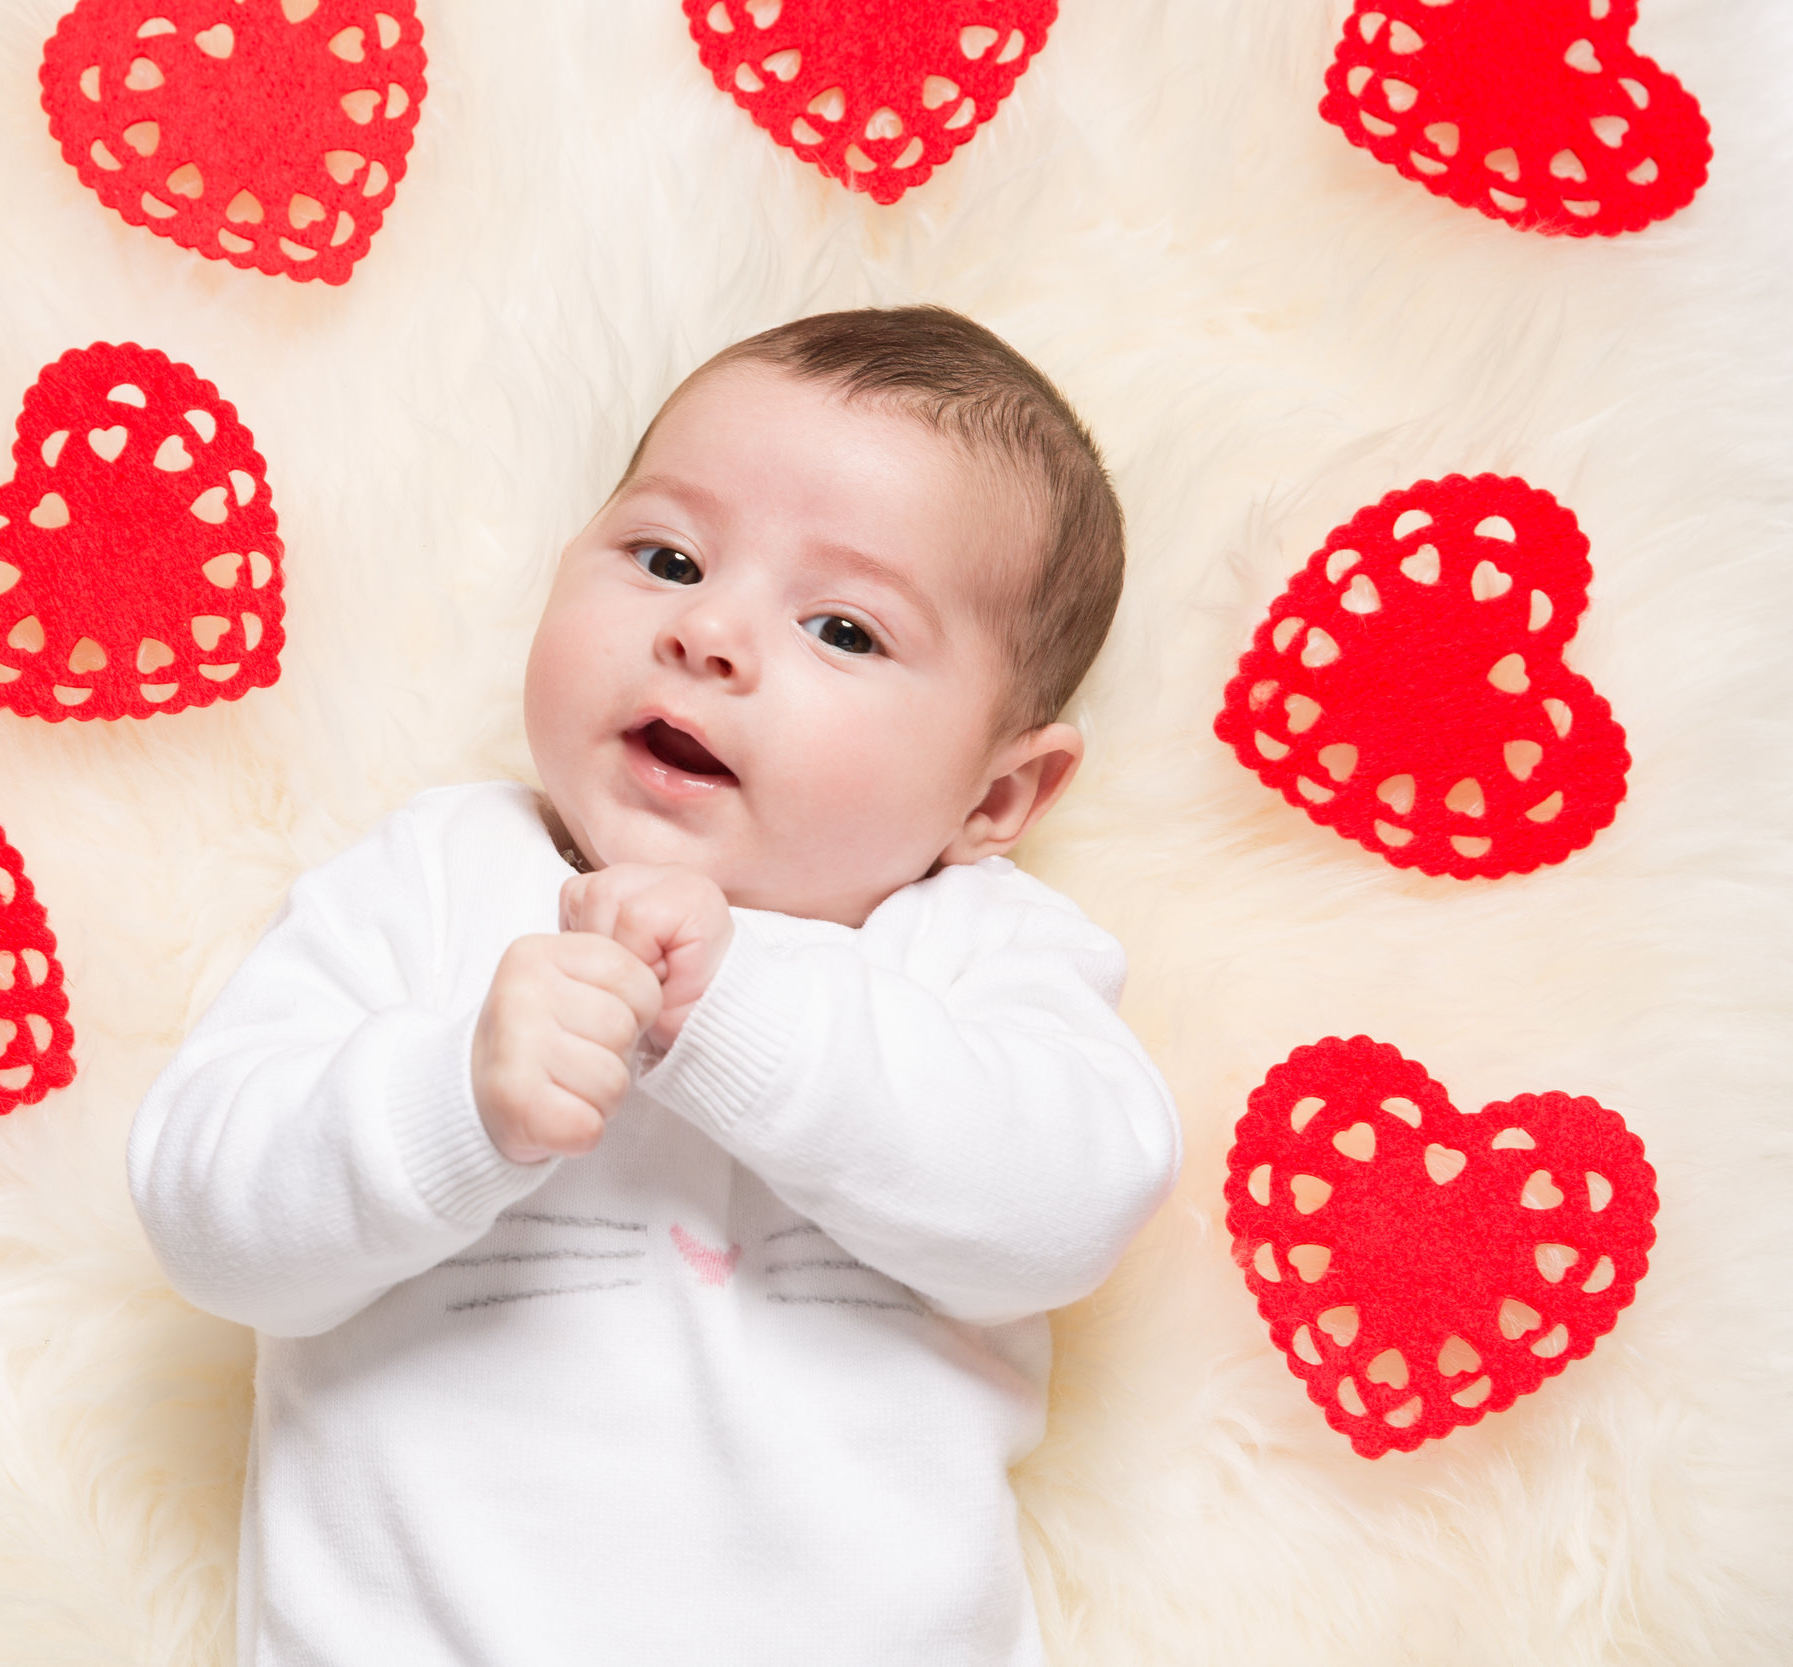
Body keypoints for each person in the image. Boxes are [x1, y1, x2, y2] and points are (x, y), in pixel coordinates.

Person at [127, 305, 1182, 1664]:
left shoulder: (979, 953)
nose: (711, 634)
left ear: (999, 792)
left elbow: (1070, 1208)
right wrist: (455, 1104)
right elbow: (208, 1221)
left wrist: (746, 1017)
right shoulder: (435, 882)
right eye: (669, 557)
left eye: (845, 631)